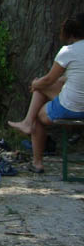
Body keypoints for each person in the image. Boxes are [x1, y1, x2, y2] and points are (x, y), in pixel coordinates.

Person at [8, 14, 84, 173]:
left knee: (38, 111)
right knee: (45, 87)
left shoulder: (68, 51)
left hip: (72, 107)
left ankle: (37, 162)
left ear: (70, 33)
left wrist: (36, 84)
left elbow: (49, 79)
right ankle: (27, 122)